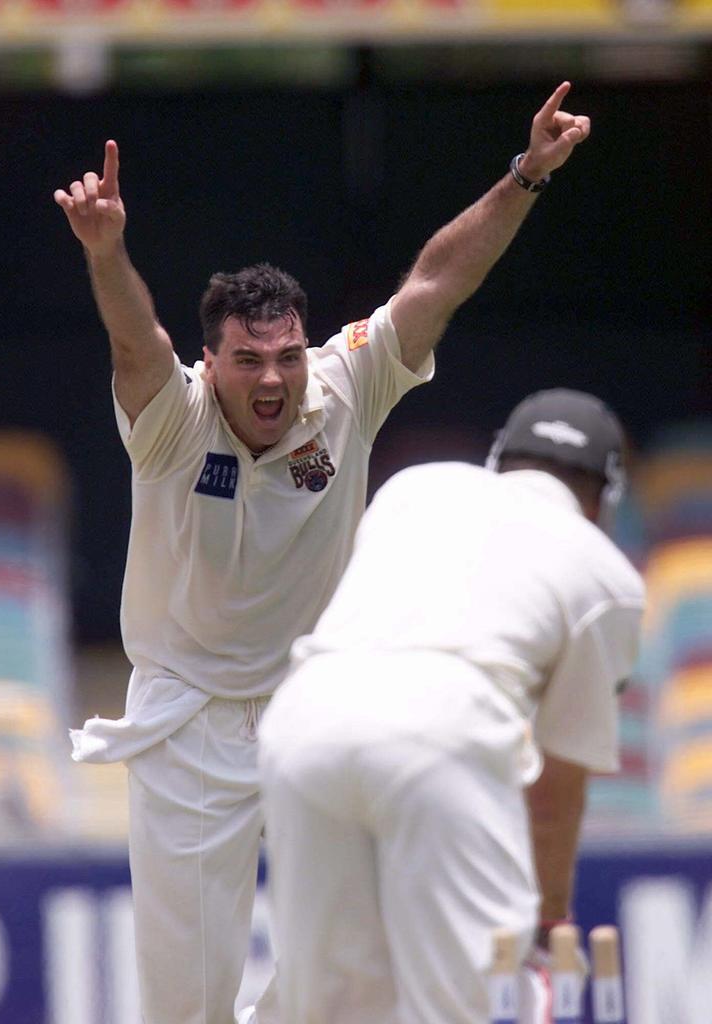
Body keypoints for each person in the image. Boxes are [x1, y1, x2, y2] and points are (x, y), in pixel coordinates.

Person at [54, 82, 590, 1024]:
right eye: (250, 360)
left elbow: (437, 281)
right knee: (186, 1004)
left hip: (319, 699)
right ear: (211, 363)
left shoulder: (344, 386)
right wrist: (108, 252)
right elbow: (136, 339)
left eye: (288, 356)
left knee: (345, 981)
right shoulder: (171, 422)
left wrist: (526, 176)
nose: (274, 380)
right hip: (187, 717)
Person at [258, 388, 646, 1024]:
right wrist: (548, 919)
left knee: (331, 1011)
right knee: (466, 1008)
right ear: (605, 499)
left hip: (302, 721)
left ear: (499, 460)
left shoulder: (414, 487)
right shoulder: (609, 577)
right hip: (447, 726)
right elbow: (555, 785)